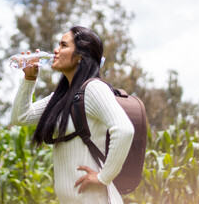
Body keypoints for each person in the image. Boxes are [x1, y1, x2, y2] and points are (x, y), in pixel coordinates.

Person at [11, 26, 134, 204]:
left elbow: (124, 129)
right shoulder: (61, 98)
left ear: (80, 56)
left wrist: (103, 177)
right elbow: (20, 117)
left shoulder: (93, 89)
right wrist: (29, 79)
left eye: (63, 45)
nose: (55, 50)